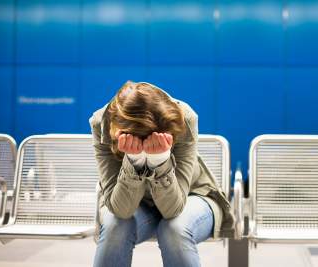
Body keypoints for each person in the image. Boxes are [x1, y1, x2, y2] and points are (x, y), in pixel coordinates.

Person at [90, 81, 234, 267]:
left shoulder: (184, 118)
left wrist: (159, 160)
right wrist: (135, 160)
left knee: (174, 229)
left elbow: (172, 209)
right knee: (114, 226)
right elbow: (121, 210)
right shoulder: (101, 124)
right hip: (134, 202)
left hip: (192, 194)